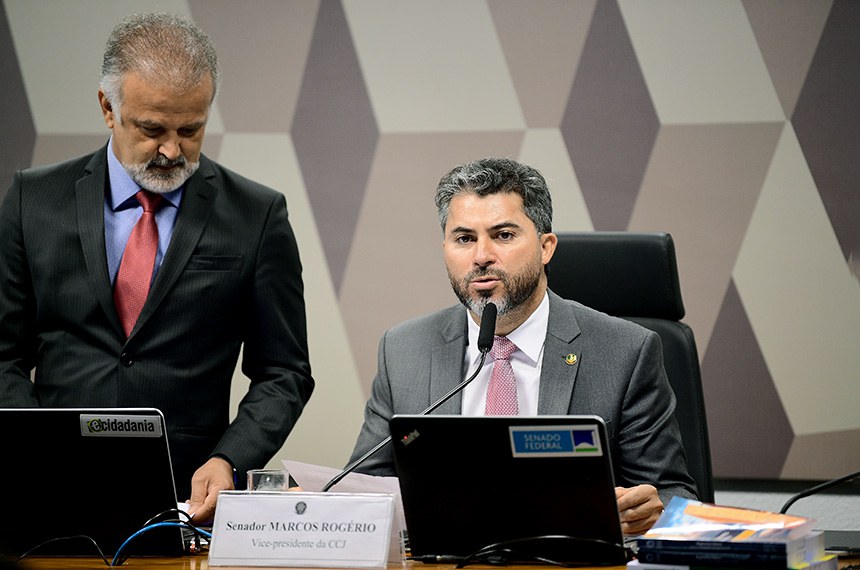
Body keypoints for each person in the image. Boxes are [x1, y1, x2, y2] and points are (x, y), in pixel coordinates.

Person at [0, 13, 314, 523]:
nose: (172, 150)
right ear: (108, 108)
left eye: (191, 129)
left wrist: (229, 459)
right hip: (45, 495)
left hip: (186, 503)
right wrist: (39, 448)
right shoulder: (32, 200)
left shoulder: (257, 216)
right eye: (152, 129)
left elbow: (284, 373)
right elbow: (2, 355)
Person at [348, 157, 697, 535]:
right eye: (464, 238)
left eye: (503, 235)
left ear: (546, 247)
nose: (481, 256)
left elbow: (675, 495)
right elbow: (367, 487)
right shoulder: (404, 350)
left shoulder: (626, 352)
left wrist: (650, 512)